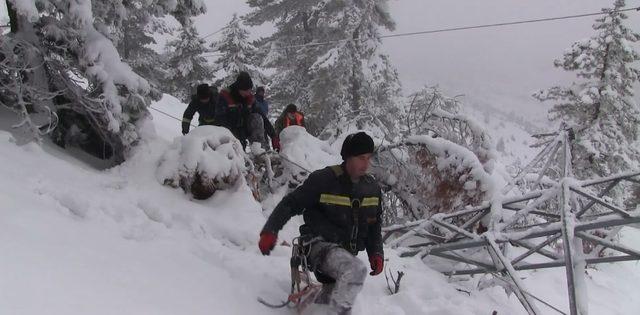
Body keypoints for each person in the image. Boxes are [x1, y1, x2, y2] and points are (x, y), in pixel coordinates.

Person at [258, 132, 383, 315]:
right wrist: (270, 230)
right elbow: (290, 203)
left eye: (368, 158)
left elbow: (374, 225)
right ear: (348, 157)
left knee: (331, 300)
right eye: (360, 157)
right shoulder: (324, 180)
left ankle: (314, 305)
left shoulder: (372, 189)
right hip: (316, 247)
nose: (365, 163)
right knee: (355, 270)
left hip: (343, 256)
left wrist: (376, 253)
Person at [217, 72, 279, 150]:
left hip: (244, 127)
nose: (248, 93)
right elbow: (220, 119)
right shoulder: (225, 96)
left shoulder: (250, 99)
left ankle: (260, 150)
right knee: (238, 151)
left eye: (249, 90)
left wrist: (273, 135)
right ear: (239, 88)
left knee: (256, 118)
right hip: (230, 129)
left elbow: (262, 116)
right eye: (246, 90)